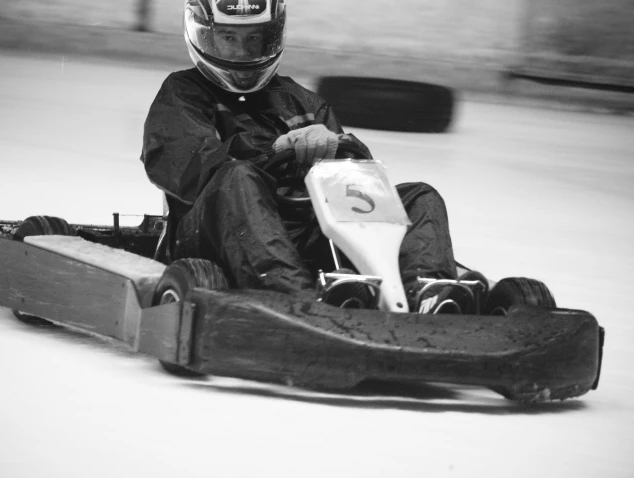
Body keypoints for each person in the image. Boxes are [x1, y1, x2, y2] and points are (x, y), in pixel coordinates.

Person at [141, 0, 483, 314]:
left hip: (303, 232)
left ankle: (428, 294)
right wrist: (274, 152)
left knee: (419, 196)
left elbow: (357, 183)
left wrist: (340, 145)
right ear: (204, 36)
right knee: (237, 178)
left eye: (254, 39)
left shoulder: (300, 100)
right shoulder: (183, 94)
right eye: (228, 38)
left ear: (272, 38)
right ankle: (298, 301)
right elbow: (187, 168)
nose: (243, 53)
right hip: (214, 235)